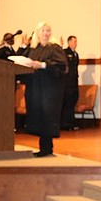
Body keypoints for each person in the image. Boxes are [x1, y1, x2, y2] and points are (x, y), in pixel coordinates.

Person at [20, 22, 67, 157]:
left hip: (49, 90)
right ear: (37, 33)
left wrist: (42, 65)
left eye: (48, 31)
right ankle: (43, 148)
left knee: (47, 116)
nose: (46, 33)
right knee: (38, 116)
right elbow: (21, 60)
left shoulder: (55, 48)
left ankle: (47, 148)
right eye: (43, 31)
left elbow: (62, 66)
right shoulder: (34, 49)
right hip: (35, 88)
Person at [61, 35, 80, 131]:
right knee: (67, 103)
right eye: (74, 41)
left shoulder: (76, 54)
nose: (75, 43)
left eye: (76, 42)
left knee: (72, 102)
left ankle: (71, 123)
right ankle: (66, 124)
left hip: (74, 83)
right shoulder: (65, 52)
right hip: (67, 83)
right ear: (69, 42)